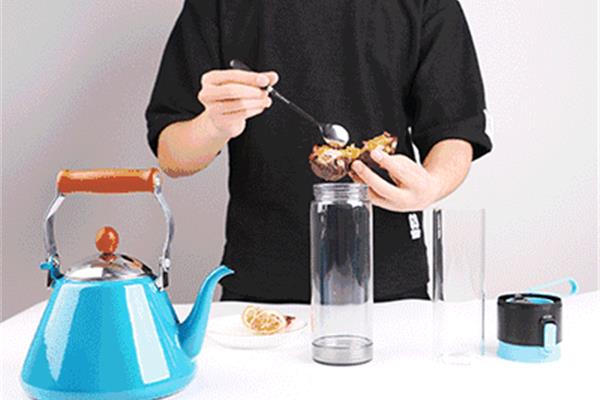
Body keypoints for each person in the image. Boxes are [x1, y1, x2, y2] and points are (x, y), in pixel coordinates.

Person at [145, 0, 492, 303]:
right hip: (261, 283)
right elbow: (172, 156)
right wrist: (213, 125)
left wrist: (431, 185)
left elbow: (455, 129)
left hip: (390, 281)